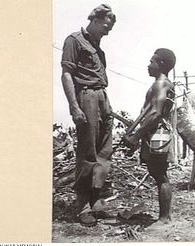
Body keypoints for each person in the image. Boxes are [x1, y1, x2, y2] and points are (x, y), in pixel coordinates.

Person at [60, 4, 116, 226]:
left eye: (110, 28)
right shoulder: (74, 40)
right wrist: (74, 106)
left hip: (102, 97)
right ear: (94, 20)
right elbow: (66, 75)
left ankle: (95, 202)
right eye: (105, 26)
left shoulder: (97, 46)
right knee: (87, 153)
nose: (107, 31)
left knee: (104, 152)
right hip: (86, 97)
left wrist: (106, 104)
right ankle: (83, 206)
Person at [123, 48, 176, 227]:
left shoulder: (161, 84)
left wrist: (137, 135)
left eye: (152, 61)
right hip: (153, 132)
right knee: (157, 173)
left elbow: (155, 113)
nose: (148, 65)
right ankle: (164, 216)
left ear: (161, 64)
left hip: (157, 132)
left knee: (160, 174)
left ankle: (165, 218)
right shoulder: (160, 83)